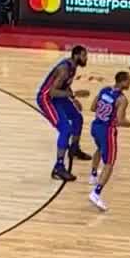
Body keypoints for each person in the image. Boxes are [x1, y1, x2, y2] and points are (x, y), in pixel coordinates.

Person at [87, 72, 130, 212]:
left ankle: (93, 175)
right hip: (107, 131)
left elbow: (92, 108)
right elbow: (121, 121)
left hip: (95, 126)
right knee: (109, 164)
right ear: (122, 82)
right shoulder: (122, 99)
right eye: (128, 81)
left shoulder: (104, 90)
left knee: (99, 149)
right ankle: (96, 193)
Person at [36, 46, 91, 181]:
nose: (86, 58)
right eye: (84, 55)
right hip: (47, 99)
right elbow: (52, 92)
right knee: (65, 129)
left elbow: (64, 86)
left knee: (77, 118)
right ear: (76, 56)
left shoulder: (72, 67)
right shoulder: (64, 69)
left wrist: (73, 99)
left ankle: (74, 149)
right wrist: (74, 94)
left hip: (58, 97)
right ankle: (58, 168)